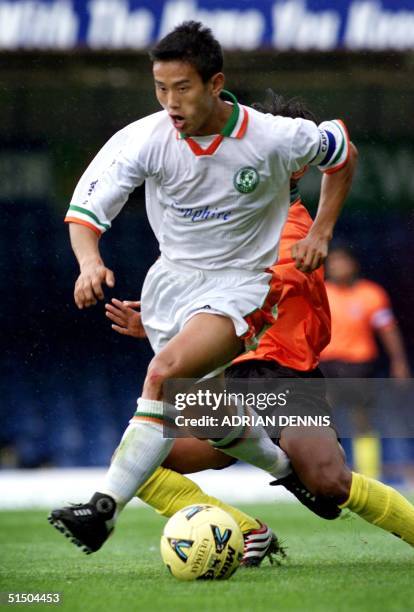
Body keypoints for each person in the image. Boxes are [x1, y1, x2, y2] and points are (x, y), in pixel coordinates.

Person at [49, 22, 356, 554]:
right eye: (160, 88)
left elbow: (342, 150)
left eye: (182, 87)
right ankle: (279, 483)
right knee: (186, 432)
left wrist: (325, 232)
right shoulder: (145, 138)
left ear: (216, 84)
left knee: (164, 378)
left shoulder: (275, 146)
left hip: (262, 336)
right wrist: (88, 262)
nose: (169, 101)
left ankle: (101, 511)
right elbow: (87, 209)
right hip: (175, 289)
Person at [107, 92, 414, 551]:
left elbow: (250, 293)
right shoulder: (230, 223)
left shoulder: (293, 227)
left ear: (293, 164)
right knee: (141, 461)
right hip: (229, 377)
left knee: (329, 482)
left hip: (281, 378)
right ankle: (247, 531)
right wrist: (161, 320)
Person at [320, 246, 411, 478]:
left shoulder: (370, 294)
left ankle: (368, 475)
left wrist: (398, 361)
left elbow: (387, 330)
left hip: (358, 366)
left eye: (341, 261)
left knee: (361, 419)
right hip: (327, 365)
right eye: (333, 262)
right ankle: (325, 471)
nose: (337, 266)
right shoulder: (321, 292)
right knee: (321, 417)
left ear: (353, 264)